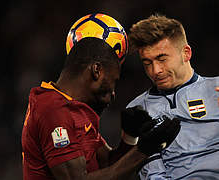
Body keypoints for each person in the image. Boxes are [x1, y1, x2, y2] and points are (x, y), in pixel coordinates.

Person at [21, 13, 180, 180]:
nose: (113, 92)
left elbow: (107, 167)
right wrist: (146, 149)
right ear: (97, 70)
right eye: (113, 80)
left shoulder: (77, 110)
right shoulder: (52, 109)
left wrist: (130, 138)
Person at [127, 14, 219, 180]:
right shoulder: (138, 110)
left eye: (162, 59)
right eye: (147, 63)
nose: (155, 70)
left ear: (186, 53)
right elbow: (153, 173)